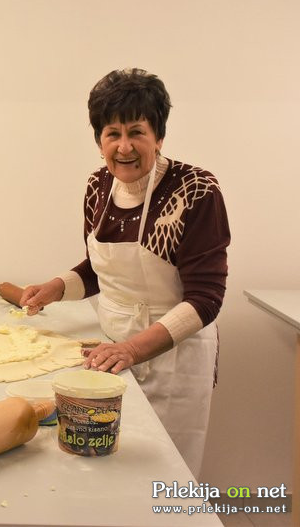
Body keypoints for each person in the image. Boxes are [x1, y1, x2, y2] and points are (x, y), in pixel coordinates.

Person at [20, 68, 230, 477]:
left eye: (137, 131)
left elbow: (207, 298)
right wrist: (55, 288)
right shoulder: (99, 185)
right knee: (109, 466)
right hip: (111, 347)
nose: (125, 146)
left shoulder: (197, 190)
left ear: (159, 137)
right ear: (99, 142)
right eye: (112, 133)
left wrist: (134, 349)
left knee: (163, 470)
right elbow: (100, 271)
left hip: (175, 355)